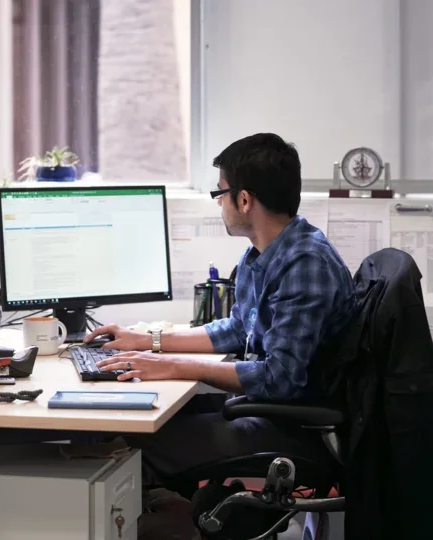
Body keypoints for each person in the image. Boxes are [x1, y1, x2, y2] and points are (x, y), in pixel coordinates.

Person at [84, 133, 357, 490]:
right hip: (270, 413)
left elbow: (279, 378)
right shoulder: (265, 253)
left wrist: (169, 366)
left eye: (219, 194)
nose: (219, 204)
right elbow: (237, 328)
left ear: (243, 200)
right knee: (160, 419)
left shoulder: (305, 264)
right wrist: (148, 340)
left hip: (295, 430)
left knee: (143, 443)